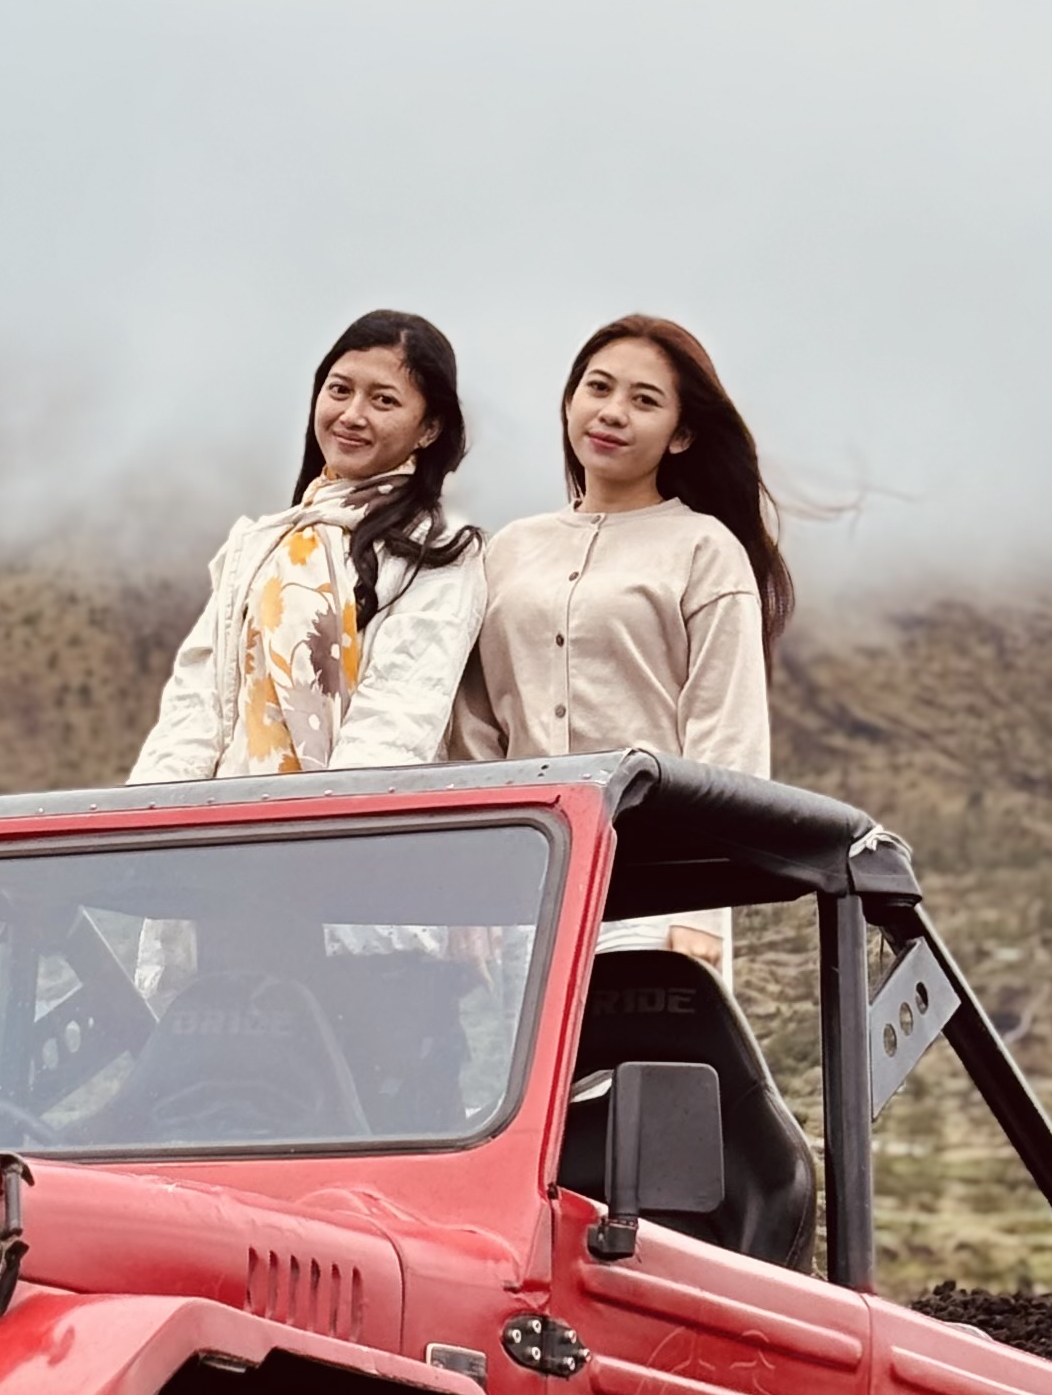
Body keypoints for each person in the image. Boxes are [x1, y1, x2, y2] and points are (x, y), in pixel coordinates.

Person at [451, 314, 792, 975]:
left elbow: (728, 743)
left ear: (681, 434)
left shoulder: (705, 550)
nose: (612, 412)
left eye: (645, 400)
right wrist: (474, 886)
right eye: (598, 388)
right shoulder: (508, 550)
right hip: (522, 895)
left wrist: (702, 914)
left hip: (653, 897)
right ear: (570, 401)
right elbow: (474, 729)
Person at [130, 313, 485, 777]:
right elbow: (193, 710)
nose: (352, 415)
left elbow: (395, 726)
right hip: (224, 815)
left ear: (430, 428)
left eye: (383, 400)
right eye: (339, 390)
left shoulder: (437, 552)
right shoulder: (260, 545)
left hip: (340, 815)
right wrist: (154, 809)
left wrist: (321, 819)